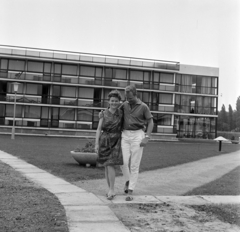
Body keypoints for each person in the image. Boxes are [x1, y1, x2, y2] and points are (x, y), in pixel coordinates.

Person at [100, 85, 154, 201]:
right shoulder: (124, 105)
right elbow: (112, 108)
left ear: (135, 95)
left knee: (134, 165)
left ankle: (130, 191)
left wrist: (147, 137)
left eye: (129, 98)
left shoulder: (144, 107)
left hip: (138, 135)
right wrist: (102, 114)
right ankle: (128, 180)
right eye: (126, 98)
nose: (127, 100)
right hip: (125, 135)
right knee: (122, 162)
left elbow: (150, 122)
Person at [95, 90, 123, 200]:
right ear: (109, 101)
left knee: (111, 164)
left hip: (116, 140)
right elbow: (98, 129)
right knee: (106, 166)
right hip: (104, 140)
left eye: (116, 101)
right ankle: (110, 189)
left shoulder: (121, 113)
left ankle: (112, 189)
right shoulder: (103, 113)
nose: (114, 103)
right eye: (112, 101)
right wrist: (96, 144)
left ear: (119, 101)